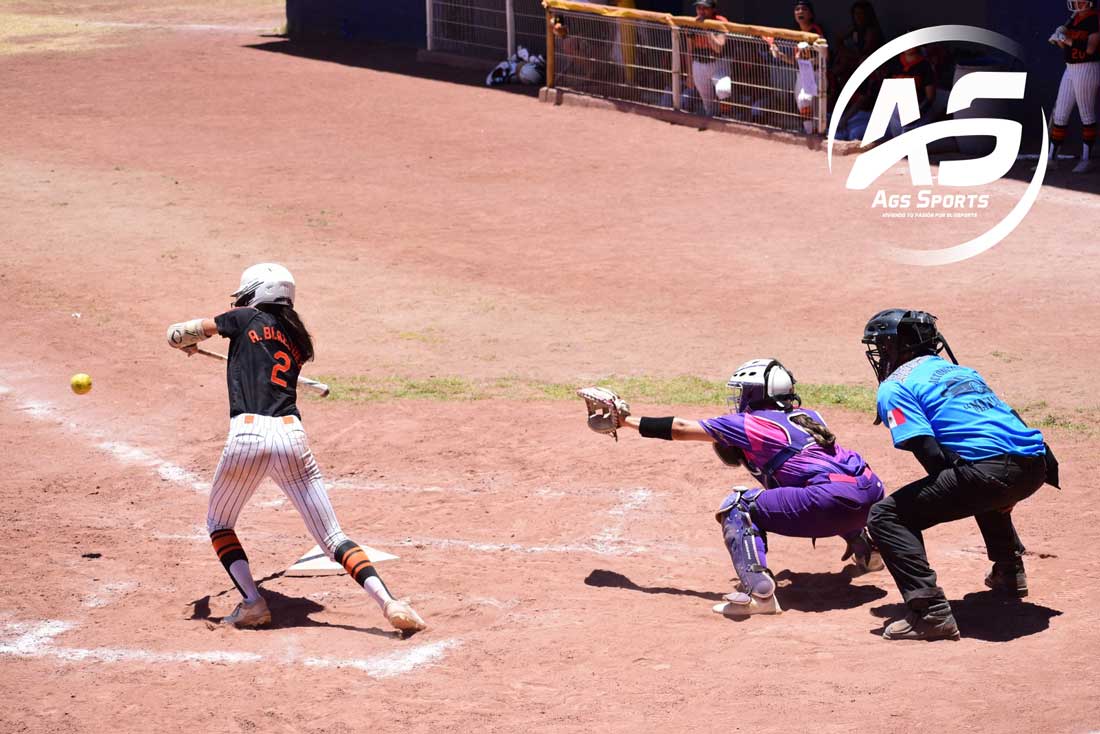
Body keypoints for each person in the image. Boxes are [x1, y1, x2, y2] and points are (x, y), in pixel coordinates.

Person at [165, 263, 427, 633]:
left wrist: (186, 342)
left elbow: (177, 333)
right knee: (334, 537)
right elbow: (264, 359)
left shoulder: (243, 317)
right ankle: (390, 603)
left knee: (219, 524)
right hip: (292, 437)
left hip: (249, 436)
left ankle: (253, 603)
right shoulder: (299, 339)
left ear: (254, 292)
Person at [585, 359, 886, 617]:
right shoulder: (808, 417)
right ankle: (868, 550)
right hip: (872, 495)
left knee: (738, 505)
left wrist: (626, 421)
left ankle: (760, 595)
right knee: (818, 484)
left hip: (831, 502)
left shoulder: (749, 423)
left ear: (755, 393)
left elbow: (680, 429)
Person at [861, 310, 1054, 641]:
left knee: (885, 516)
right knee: (971, 475)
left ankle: (930, 613)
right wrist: (1000, 494)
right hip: (1037, 463)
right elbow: (1009, 420)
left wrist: (989, 492)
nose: (880, 354)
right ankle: (1009, 572)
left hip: (992, 472)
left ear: (896, 347)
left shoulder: (895, 386)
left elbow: (932, 456)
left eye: (881, 345)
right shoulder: (960, 371)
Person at [1048, 0, 1100, 173]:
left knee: (1086, 113)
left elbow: (1091, 48)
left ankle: (1086, 159)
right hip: (1070, 67)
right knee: (1061, 113)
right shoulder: (1074, 18)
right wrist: (1059, 37)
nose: (1076, 2)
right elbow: (1065, 45)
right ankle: (1052, 158)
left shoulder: (1096, 18)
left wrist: (1067, 39)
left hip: (1087, 67)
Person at [764, 1, 827, 135]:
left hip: (815, 75)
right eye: (797, 9)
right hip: (801, 76)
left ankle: (814, 135)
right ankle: (811, 134)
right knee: (803, 106)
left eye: (804, 9)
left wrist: (808, 58)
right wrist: (779, 55)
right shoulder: (797, 34)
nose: (800, 12)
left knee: (806, 102)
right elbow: (795, 62)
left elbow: (824, 55)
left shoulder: (815, 30)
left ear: (811, 14)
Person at [684, 0, 729, 117]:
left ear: (713, 9)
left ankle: (727, 118)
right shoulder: (692, 23)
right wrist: (689, 74)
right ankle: (712, 123)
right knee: (707, 103)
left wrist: (707, 29)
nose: (701, 11)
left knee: (724, 91)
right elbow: (689, 50)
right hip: (699, 64)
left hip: (718, 63)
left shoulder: (720, 21)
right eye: (699, 8)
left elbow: (718, 48)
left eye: (705, 8)